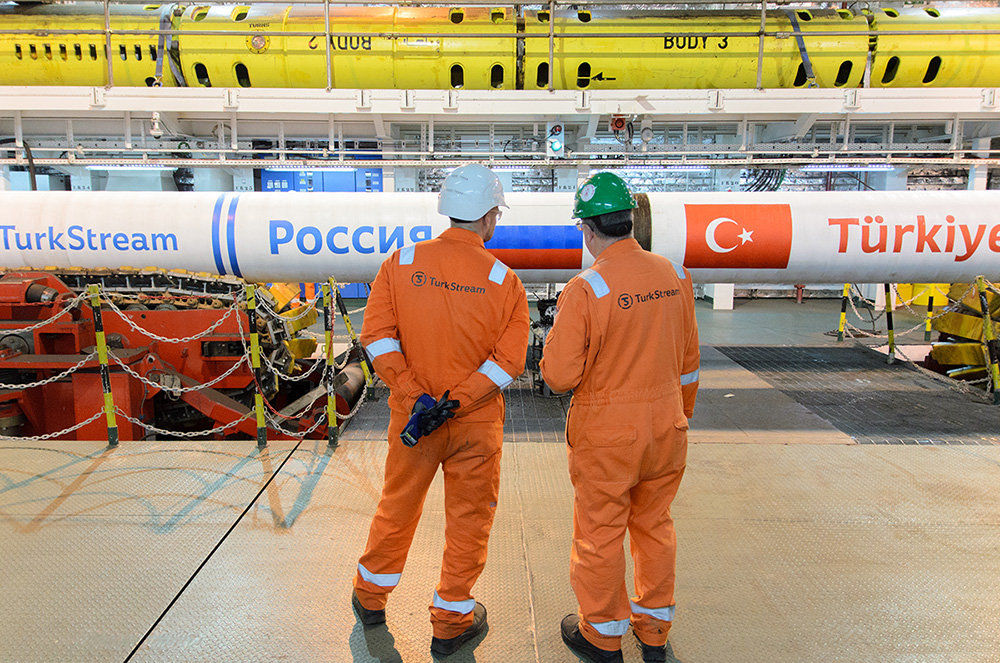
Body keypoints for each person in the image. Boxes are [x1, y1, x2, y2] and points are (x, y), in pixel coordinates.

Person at [351, 164, 530, 658]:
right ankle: (451, 622)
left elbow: (377, 338)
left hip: (415, 419)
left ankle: (370, 597)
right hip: (474, 425)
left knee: (398, 505)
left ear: (448, 209)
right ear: (489, 216)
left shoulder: (401, 262)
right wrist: (459, 400)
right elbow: (509, 362)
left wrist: (417, 395)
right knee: (469, 521)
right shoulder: (505, 281)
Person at [540, 172, 700, 663]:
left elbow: (559, 376)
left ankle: (602, 635)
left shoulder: (588, 287)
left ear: (588, 230)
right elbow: (689, 362)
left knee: (600, 532)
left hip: (609, 435)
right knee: (655, 526)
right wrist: (679, 415)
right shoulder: (676, 276)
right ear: (630, 220)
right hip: (668, 425)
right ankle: (654, 629)